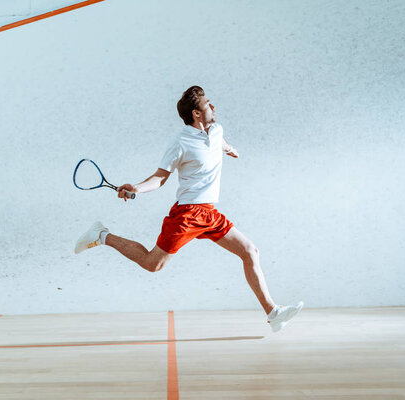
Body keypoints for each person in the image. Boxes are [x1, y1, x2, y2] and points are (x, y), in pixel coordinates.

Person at [75, 86, 303, 332]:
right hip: (188, 214)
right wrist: (137, 188)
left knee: (250, 251)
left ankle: (273, 314)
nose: (213, 107)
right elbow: (160, 177)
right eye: (208, 104)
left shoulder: (217, 131)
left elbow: (221, 143)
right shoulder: (180, 142)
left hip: (209, 213)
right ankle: (101, 235)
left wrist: (231, 149)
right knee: (153, 264)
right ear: (196, 113)